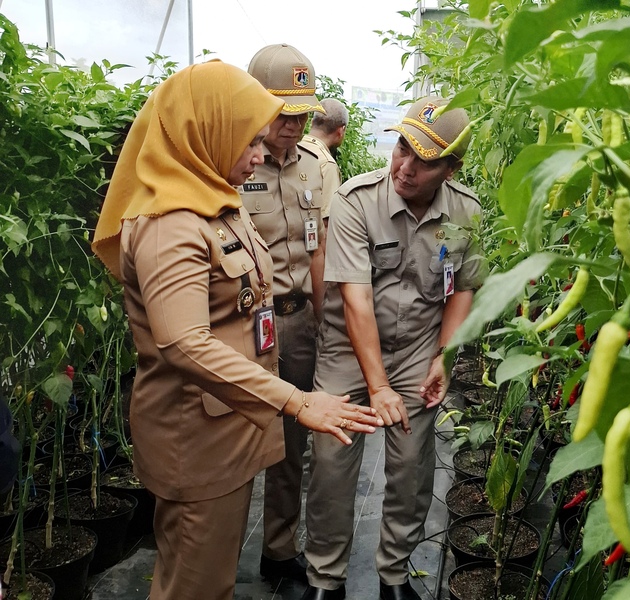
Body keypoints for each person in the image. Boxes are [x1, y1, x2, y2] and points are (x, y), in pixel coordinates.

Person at [91, 61, 382, 600]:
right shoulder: (171, 223)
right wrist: (295, 401)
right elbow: (184, 342)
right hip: (196, 436)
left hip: (226, 423)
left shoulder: (213, 202)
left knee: (207, 575)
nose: (257, 154)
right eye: (247, 140)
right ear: (207, 131)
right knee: (195, 584)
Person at [301, 96, 485, 600]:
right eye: (402, 147)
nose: (405, 167)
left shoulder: (466, 213)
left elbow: (463, 288)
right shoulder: (357, 201)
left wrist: (444, 356)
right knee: (332, 464)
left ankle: (394, 574)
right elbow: (355, 301)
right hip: (347, 348)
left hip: (416, 352)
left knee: (411, 468)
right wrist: (377, 386)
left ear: (450, 169)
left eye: (424, 161)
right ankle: (324, 576)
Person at [244, 43, 337, 583]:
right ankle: (214, 554)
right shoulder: (233, 162)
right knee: (233, 436)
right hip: (244, 324)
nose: (294, 124)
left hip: (297, 323)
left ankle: (277, 550)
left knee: (290, 441)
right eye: (284, 112)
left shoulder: (318, 167)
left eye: (302, 112)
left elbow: (320, 247)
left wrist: (326, 324)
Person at [300, 98, 348, 223]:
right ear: (341, 131)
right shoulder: (326, 164)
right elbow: (326, 223)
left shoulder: (291, 150)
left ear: (311, 123)